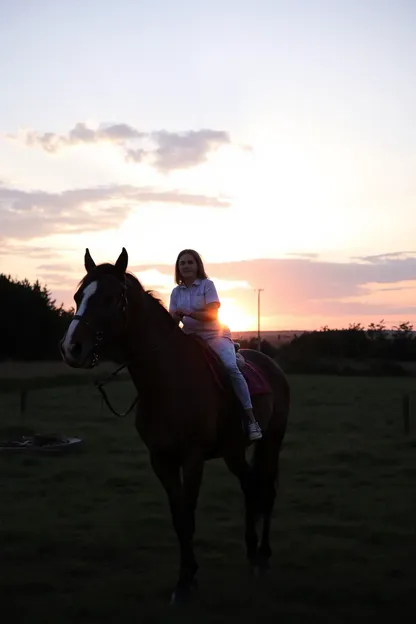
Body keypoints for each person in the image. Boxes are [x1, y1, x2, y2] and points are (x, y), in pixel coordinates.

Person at [169, 249, 263, 441]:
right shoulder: (175, 292)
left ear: (197, 266)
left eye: (190, 262)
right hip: (190, 337)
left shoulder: (207, 285)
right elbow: (172, 320)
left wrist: (187, 313)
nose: (186, 266)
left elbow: (213, 315)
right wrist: (173, 318)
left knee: (230, 367)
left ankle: (252, 420)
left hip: (214, 335)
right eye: (182, 263)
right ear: (178, 268)